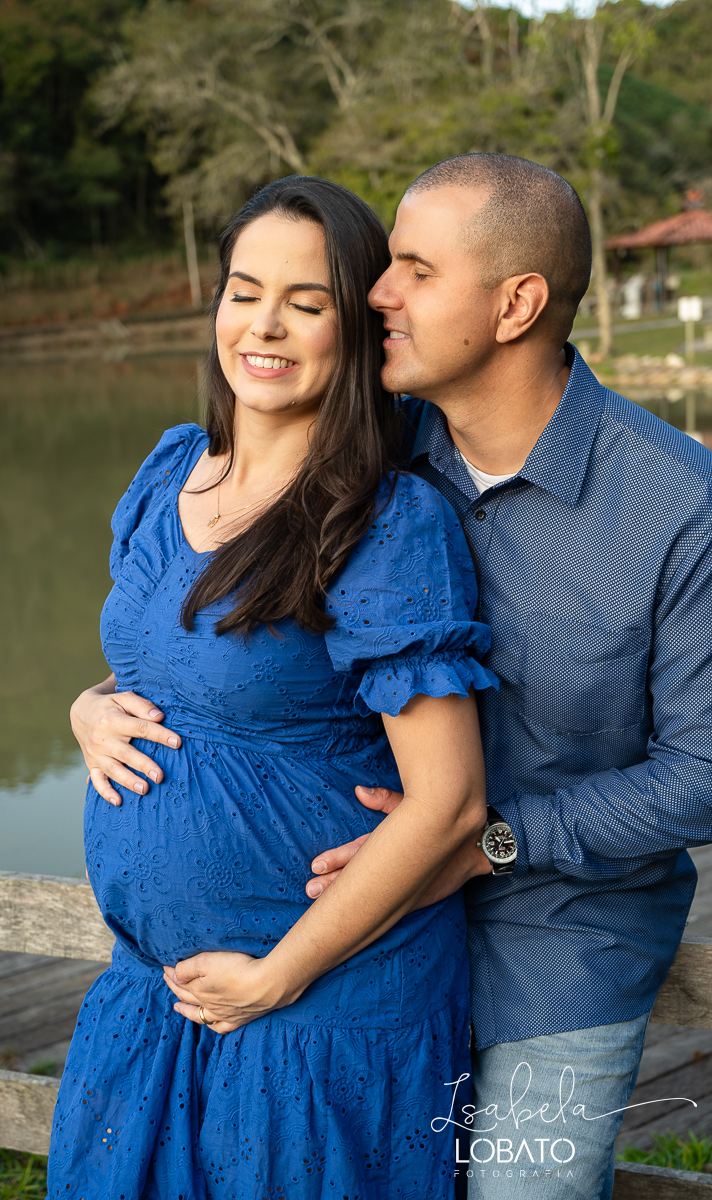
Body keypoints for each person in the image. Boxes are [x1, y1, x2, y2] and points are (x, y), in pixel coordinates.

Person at [74, 155, 712, 1200]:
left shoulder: (677, 506)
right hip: (347, 914)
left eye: (414, 270)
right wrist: (92, 702)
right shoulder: (376, 445)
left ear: (516, 304)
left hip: (561, 939)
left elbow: (705, 772)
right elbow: (232, 642)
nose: (377, 293)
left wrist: (485, 840)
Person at [49, 175, 497, 1199]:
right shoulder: (173, 469)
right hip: (155, 995)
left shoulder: (386, 523)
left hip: (316, 1009)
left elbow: (451, 802)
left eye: (306, 303)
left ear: (358, 330)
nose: (264, 326)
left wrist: (278, 974)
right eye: (245, 293)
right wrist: (86, 705)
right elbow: (179, 661)